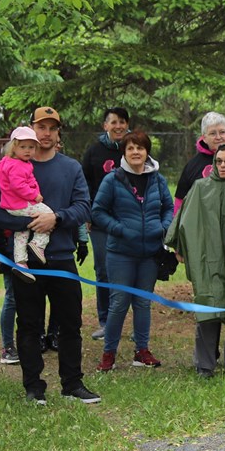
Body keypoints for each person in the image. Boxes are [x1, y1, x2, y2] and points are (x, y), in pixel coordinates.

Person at [0, 106, 99, 405]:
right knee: (28, 324)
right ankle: (33, 387)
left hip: (61, 257)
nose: (46, 133)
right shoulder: (12, 166)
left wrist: (57, 219)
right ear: (31, 130)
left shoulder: (71, 167)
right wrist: (27, 223)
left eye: (52, 128)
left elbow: (84, 207)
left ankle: (72, 383)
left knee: (70, 322)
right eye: (41, 127)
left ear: (58, 132)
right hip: (25, 259)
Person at [167, 144, 225, 377]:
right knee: (208, 306)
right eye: (219, 161)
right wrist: (179, 246)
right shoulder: (200, 188)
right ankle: (204, 364)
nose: (223, 165)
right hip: (209, 258)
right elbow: (184, 221)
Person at [91, 130, 173, 371]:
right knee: (118, 303)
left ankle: (141, 350)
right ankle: (109, 353)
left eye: (140, 147)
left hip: (149, 253)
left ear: (147, 151)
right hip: (121, 253)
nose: (136, 152)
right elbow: (97, 212)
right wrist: (119, 229)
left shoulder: (157, 179)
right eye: (130, 148)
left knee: (143, 302)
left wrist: (163, 226)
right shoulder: (113, 180)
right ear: (125, 153)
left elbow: (168, 207)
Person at [81, 107, 129, 339]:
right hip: (100, 222)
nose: (118, 126)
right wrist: (88, 215)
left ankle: (129, 321)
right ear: (105, 126)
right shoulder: (94, 152)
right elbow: (84, 185)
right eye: (114, 122)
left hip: (128, 221)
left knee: (130, 271)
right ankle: (105, 321)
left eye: (122, 122)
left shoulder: (134, 148)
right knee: (104, 270)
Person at [0, 126, 53, 273]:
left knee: (21, 231)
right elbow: (18, 185)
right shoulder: (18, 165)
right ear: (14, 147)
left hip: (10, 206)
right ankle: (38, 243)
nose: (27, 150)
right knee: (48, 214)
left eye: (31, 147)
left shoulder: (5, 161)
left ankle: (20, 262)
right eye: (23, 147)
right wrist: (34, 195)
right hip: (21, 204)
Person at [174, 111, 225, 210]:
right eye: (213, 133)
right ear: (204, 138)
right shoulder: (193, 166)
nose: (218, 137)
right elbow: (180, 201)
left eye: (222, 132)